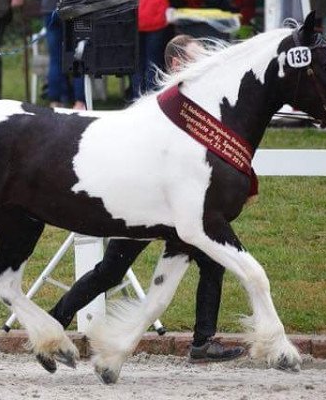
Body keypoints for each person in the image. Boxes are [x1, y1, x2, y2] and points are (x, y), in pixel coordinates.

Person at [48, 35, 246, 363]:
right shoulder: (169, 104)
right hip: (145, 206)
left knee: (211, 262)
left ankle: (203, 340)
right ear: (177, 64)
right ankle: (56, 319)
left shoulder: (194, 106)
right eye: (197, 58)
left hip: (173, 210)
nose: (205, 64)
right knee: (111, 271)